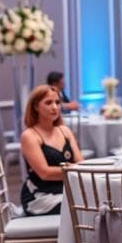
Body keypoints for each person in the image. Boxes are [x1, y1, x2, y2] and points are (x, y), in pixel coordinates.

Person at [20, 84, 84, 216]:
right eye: (48, 103)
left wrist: (72, 168)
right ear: (36, 107)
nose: (55, 107)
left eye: (57, 102)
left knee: (98, 202)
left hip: (66, 190)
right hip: (41, 196)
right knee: (83, 207)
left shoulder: (64, 130)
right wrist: (72, 168)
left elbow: (81, 164)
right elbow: (45, 173)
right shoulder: (30, 135)